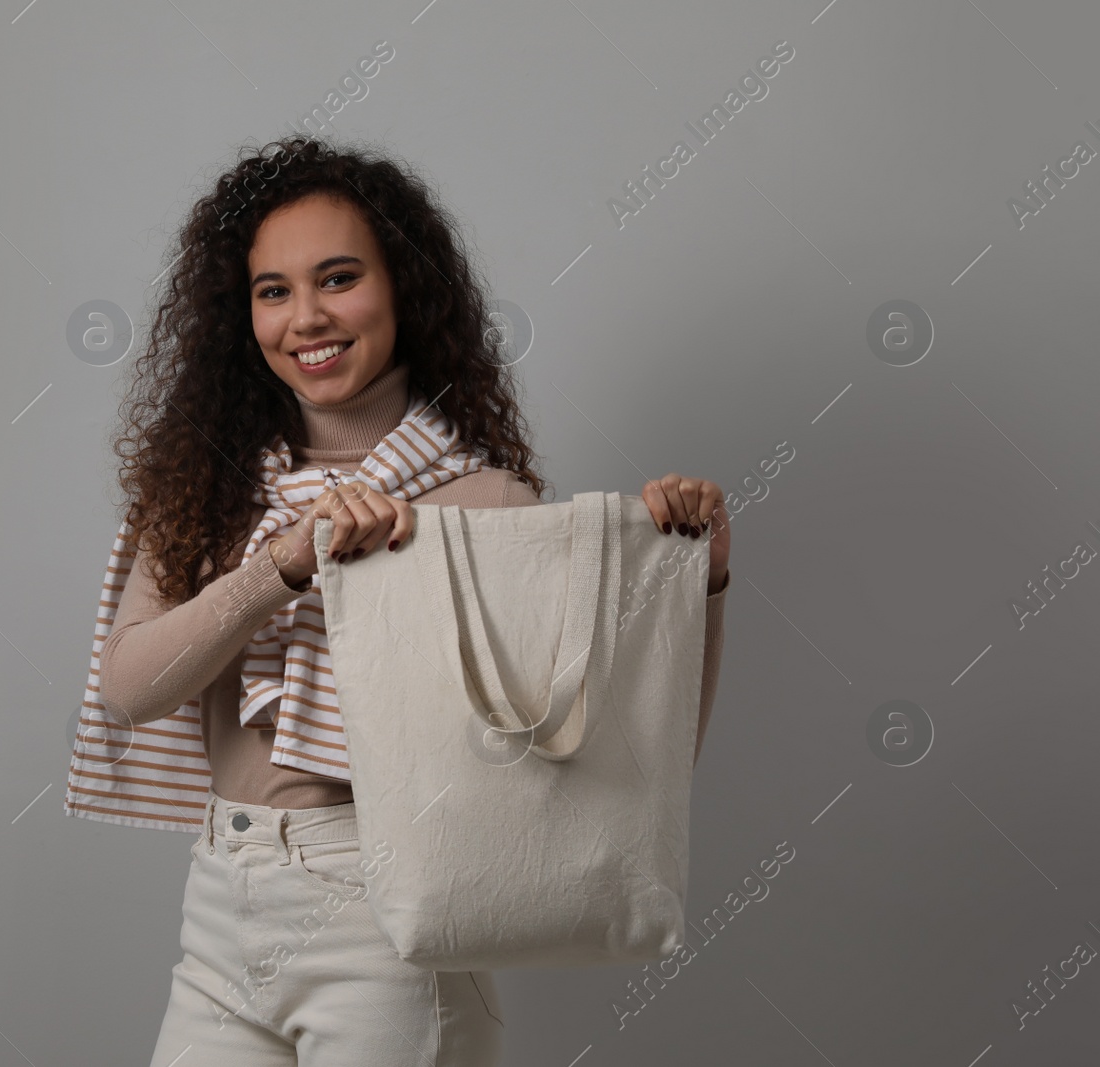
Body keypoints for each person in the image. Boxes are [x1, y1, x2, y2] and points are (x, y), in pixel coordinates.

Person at [63, 134, 732, 1066]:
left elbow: (613, 759)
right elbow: (130, 689)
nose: (306, 317)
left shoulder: (483, 502)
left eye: (338, 278)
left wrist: (695, 585)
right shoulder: (207, 490)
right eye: (272, 290)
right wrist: (283, 567)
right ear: (239, 314)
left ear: (402, 293)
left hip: (389, 921)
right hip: (222, 904)